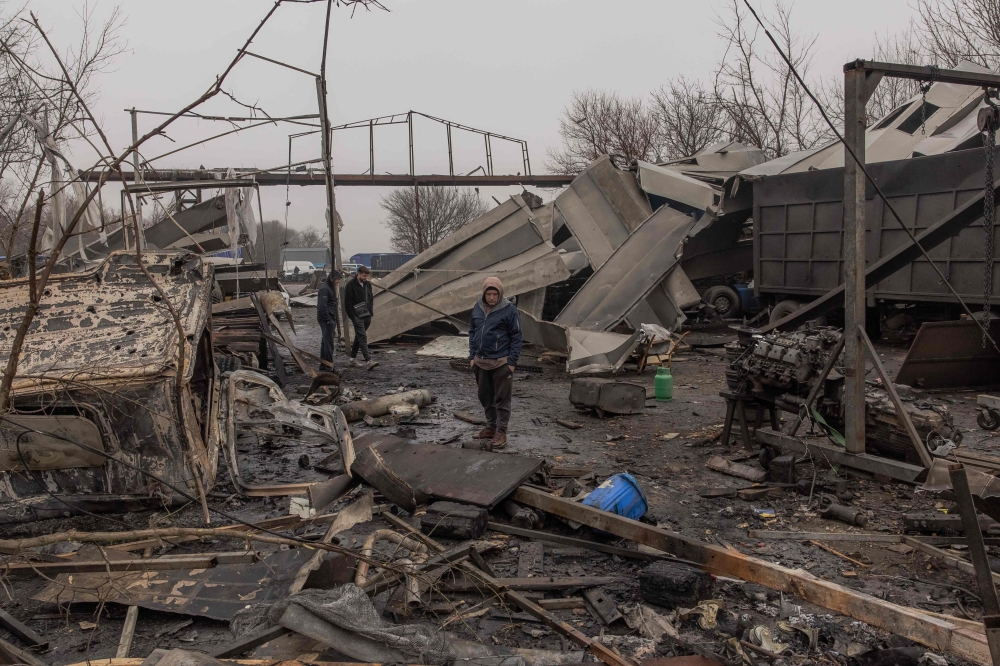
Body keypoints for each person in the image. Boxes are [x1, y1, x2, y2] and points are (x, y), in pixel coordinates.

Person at [468, 276, 521, 449]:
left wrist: (511, 362)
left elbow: (516, 336)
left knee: (502, 399)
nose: (491, 297)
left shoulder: (509, 310)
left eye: (494, 294)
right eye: (488, 294)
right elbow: (472, 332)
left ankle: (501, 432)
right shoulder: (477, 307)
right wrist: (472, 356)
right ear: (484, 294)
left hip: (500, 363)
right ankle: (491, 427)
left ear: (500, 294)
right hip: (480, 362)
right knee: (485, 397)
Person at [344, 264, 378, 370]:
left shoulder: (367, 284)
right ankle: (369, 361)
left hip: (367, 315)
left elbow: (370, 299)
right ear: (358, 274)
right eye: (363, 276)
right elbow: (347, 303)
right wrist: (353, 316)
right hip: (357, 315)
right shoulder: (350, 285)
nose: (365, 278)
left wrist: (370, 312)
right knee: (362, 336)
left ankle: (352, 359)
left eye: (366, 276)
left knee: (359, 336)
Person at [316, 269, 342, 367]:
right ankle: (328, 364)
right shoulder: (325, 289)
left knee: (325, 341)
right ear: (332, 279)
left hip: (329, 318)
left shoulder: (329, 288)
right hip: (326, 319)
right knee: (328, 342)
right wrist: (328, 320)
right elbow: (322, 306)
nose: (338, 282)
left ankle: (324, 364)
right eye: (338, 279)